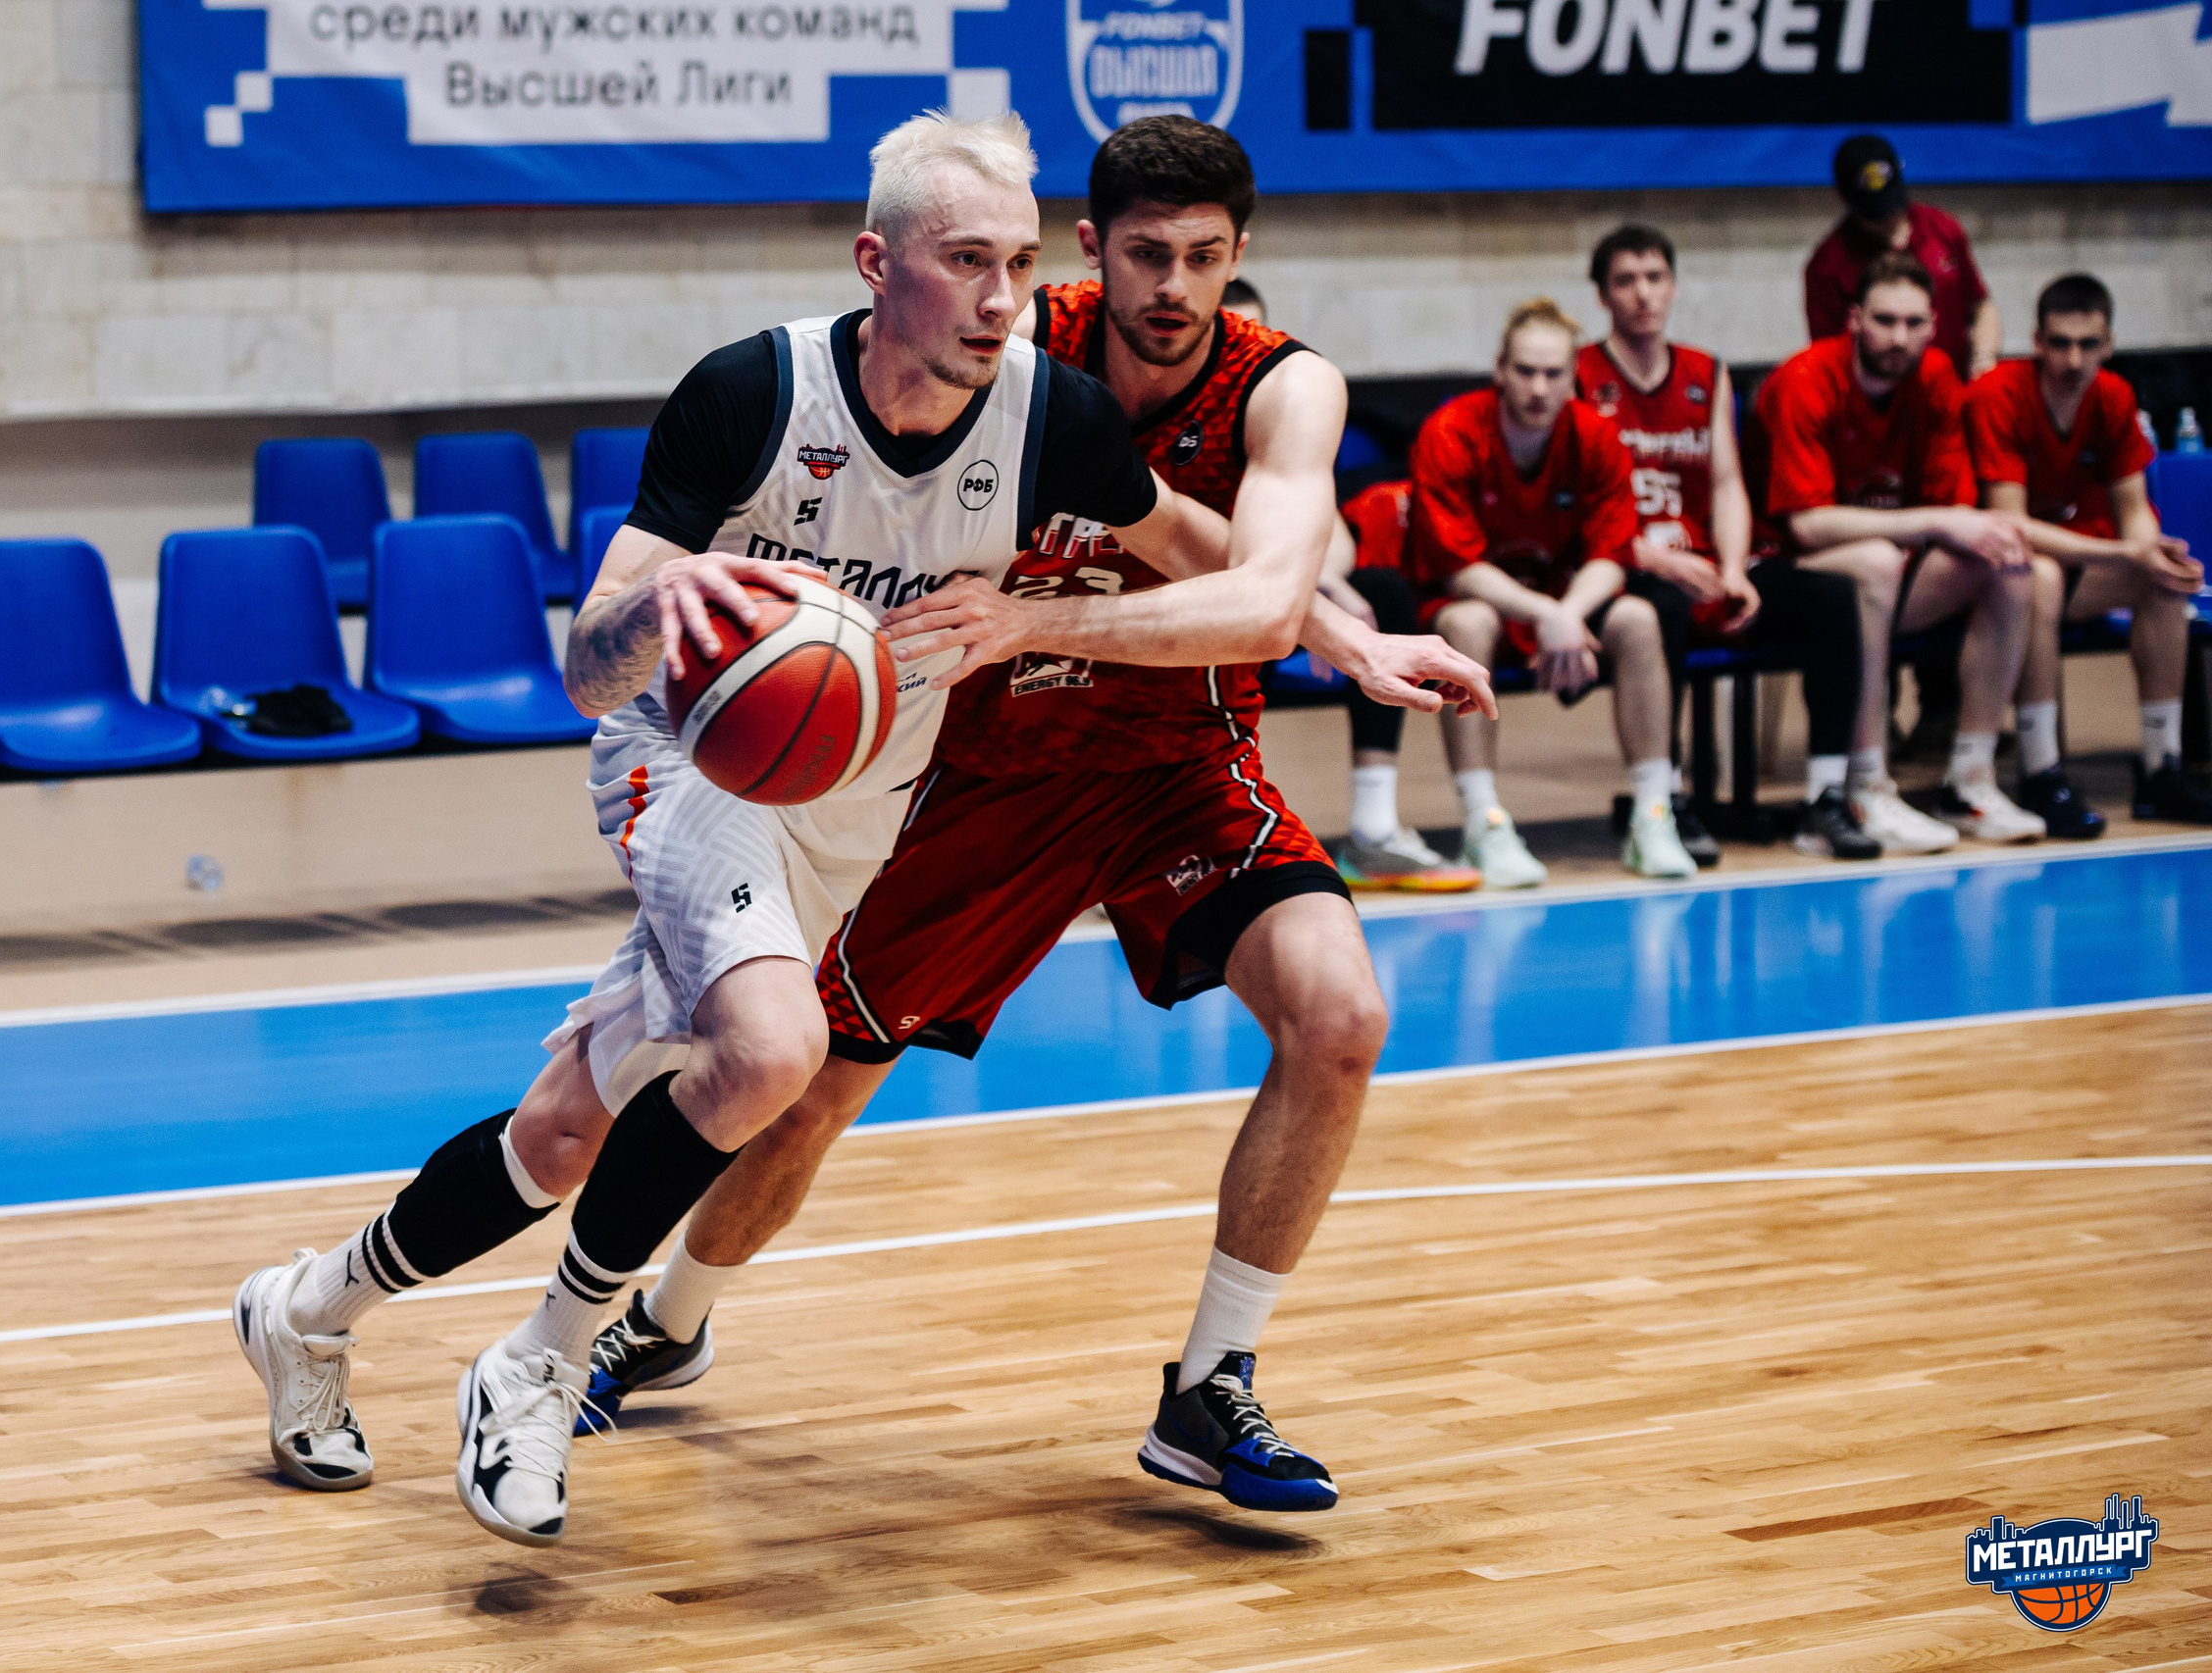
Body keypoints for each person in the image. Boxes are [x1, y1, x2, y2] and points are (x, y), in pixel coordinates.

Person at [228, 110, 1478, 1546]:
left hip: (869, 796)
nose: (1002, 299)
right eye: (968, 262)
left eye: (1014, 265)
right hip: (699, 766)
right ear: (879, 264)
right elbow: (589, 667)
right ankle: (540, 1359)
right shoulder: (752, 393)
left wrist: (1346, 637)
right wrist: (652, 613)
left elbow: (1218, 556)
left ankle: (308, 1308)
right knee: (778, 1052)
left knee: (573, 1130)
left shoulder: (1046, 408)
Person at [1579, 224, 1879, 861]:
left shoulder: (1704, 372)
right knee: (1663, 606)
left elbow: (1725, 484)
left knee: (1829, 595)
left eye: (1654, 278)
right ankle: (1668, 795)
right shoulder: (1582, 377)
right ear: (1603, 294)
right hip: (1629, 562)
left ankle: (1828, 795)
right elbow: (1582, 505)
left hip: (1705, 559)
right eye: (1626, 280)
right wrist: (1654, 558)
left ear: (1674, 287)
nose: (1642, 294)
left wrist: (1737, 568)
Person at [1748, 249, 2043, 848]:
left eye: (1913, 323)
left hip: (1888, 571)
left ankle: (1971, 780)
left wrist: (1951, 525)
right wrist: (1935, 521)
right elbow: (1806, 525)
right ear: (1854, 319)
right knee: (1875, 561)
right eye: (1884, 321)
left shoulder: (1936, 378)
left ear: (1935, 326)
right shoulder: (1806, 378)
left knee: (2009, 562)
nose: (1898, 337)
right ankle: (1867, 786)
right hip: (1784, 575)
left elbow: (1951, 513)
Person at [1405, 297, 1698, 887]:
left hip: (1566, 609)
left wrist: (1567, 614)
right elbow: (1459, 568)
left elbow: (1612, 557)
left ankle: (1653, 814)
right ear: (1499, 370)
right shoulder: (1451, 432)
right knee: (1466, 625)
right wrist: (1548, 614)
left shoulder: (1595, 437)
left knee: (1639, 618)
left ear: (1574, 379)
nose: (1539, 388)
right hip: (1488, 605)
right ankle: (1483, 822)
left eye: (1553, 373)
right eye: (1525, 371)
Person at [1966, 273, 2212, 829]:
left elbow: (2133, 510)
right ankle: (2041, 772)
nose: (2074, 359)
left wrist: (2149, 553)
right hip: (1994, 572)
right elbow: (2012, 524)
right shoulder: (1998, 394)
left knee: (2164, 577)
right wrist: (2124, 555)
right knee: (2042, 575)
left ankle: (2162, 767)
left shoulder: (2114, 397)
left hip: (2079, 560)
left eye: (2087, 344)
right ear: (2036, 342)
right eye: (2059, 343)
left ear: (2109, 345)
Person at [1328, 477, 1485, 888]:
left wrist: (1326, 590)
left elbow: (1328, 525)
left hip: (1295, 594)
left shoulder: (1274, 425)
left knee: (1382, 592)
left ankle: (1374, 833)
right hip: (1212, 596)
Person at [1805, 134, 1998, 383]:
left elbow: (1981, 306)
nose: (1886, 218)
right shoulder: (1827, 266)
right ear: (1841, 195)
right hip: (1883, 407)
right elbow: (1830, 359)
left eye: (1891, 204)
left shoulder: (1942, 228)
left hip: (1952, 391)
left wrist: (1983, 360)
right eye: (1874, 212)